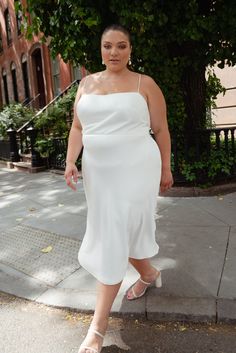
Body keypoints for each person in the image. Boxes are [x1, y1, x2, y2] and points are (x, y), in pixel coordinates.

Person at [64, 24, 173, 353]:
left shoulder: (145, 84)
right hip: (98, 173)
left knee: (115, 233)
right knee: (117, 231)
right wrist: (71, 161)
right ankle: (149, 273)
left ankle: (97, 329)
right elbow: (78, 126)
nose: (114, 52)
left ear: (130, 49)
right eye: (108, 46)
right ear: (100, 49)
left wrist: (166, 167)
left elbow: (161, 129)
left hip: (136, 168)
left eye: (121, 46)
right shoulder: (86, 83)